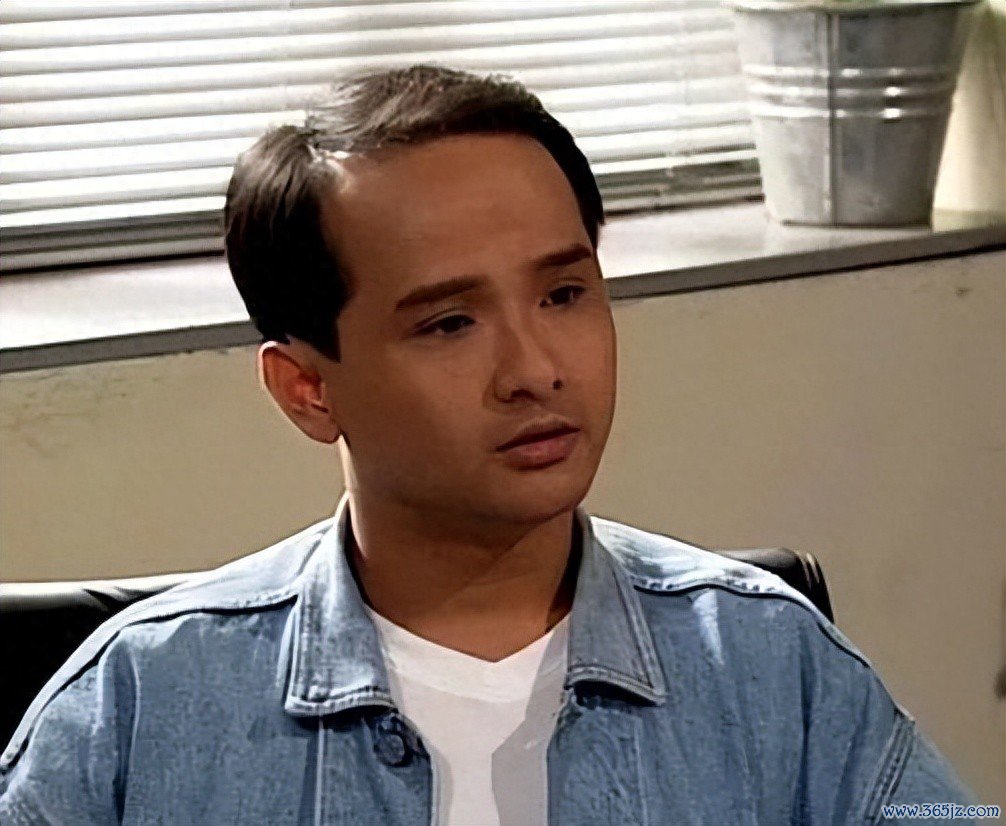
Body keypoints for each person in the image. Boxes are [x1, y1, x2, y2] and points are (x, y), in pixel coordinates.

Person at [0, 64, 981, 825]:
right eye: (449, 324)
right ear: (307, 388)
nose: (535, 369)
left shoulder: (767, 663)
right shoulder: (139, 707)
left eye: (564, 294)